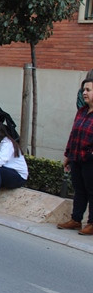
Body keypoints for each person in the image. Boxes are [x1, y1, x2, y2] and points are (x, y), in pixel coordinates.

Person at [59, 78, 93, 235]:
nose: (84, 93)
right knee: (79, 190)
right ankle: (76, 219)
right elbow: (73, 135)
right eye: (84, 90)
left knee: (91, 190)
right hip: (76, 158)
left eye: (88, 90)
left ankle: (91, 223)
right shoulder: (82, 111)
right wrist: (68, 155)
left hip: (89, 160)